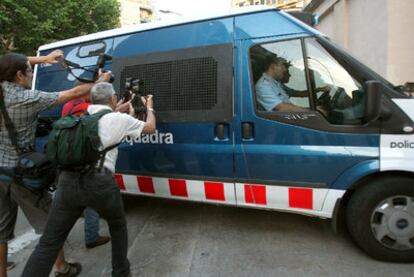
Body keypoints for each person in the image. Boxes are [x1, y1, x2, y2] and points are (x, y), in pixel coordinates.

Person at [22, 82, 156, 277]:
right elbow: (150, 127)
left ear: (91, 100)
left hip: (66, 183)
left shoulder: (78, 117)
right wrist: (149, 106)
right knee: (117, 226)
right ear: (111, 99)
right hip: (100, 183)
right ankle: (121, 272)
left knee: (49, 243)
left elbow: (110, 112)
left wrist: (125, 105)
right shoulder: (117, 119)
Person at [0, 51, 111, 277]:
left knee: (1, 232)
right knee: (51, 225)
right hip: (20, 175)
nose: (32, 75)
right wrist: (99, 83)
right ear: (19, 75)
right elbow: (74, 92)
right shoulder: (26, 99)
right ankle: (62, 267)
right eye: (30, 71)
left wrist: (41, 60)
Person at [61, 82, 131, 249]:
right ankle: (92, 237)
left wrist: (118, 105)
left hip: (73, 162)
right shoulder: (87, 107)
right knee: (102, 211)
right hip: (92, 164)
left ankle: (69, 239)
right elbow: (107, 116)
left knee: (62, 218)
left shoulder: (68, 106)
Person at [256, 56, 326, 114]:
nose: (285, 69)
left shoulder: (276, 83)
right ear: (273, 66)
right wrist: (312, 111)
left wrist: (319, 90)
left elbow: (298, 94)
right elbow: (282, 108)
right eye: (283, 65)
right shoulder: (263, 86)